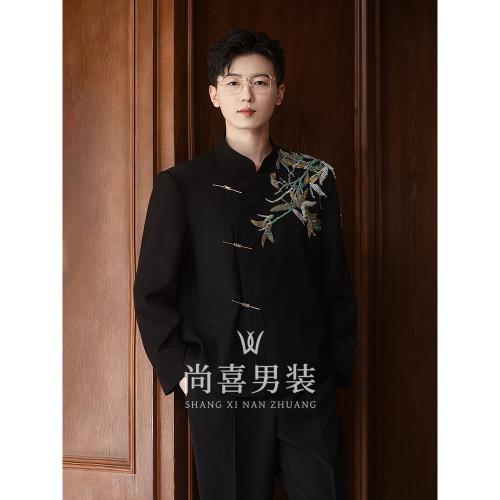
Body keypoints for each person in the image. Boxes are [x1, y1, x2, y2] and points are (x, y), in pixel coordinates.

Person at [133, 27, 357, 500]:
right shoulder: (181, 186)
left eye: (260, 82)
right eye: (233, 83)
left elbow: (334, 280)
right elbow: (152, 292)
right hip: (223, 388)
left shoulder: (313, 180)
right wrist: (185, 374)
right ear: (214, 94)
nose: (247, 95)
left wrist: (330, 370)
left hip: (302, 385)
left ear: (280, 92)